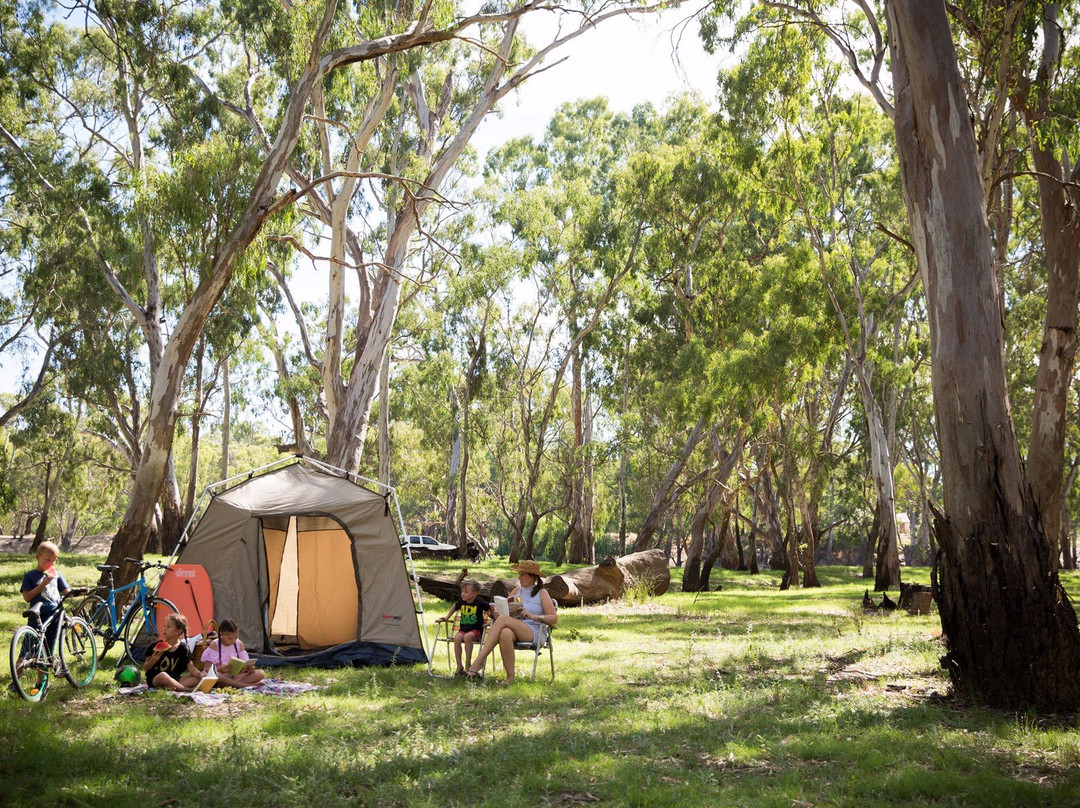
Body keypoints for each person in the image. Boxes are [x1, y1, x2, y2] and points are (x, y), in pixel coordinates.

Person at [466, 560, 557, 684]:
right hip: (516, 627)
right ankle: (510, 678)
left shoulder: (542, 593)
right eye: (519, 574)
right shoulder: (517, 590)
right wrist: (498, 613)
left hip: (535, 631)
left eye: (522, 574)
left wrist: (532, 616)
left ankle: (479, 660)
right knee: (505, 632)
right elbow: (505, 610)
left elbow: (553, 618)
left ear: (533, 576)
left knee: (504, 620)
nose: (519, 577)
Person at [19, 541, 74, 693]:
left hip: (54, 618)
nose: (51, 563)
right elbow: (27, 597)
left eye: (54, 560)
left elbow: (66, 591)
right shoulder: (30, 576)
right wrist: (43, 583)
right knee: (26, 652)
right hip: (37, 617)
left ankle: (41, 684)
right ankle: (15, 682)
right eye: (47, 560)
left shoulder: (56, 575)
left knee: (48, 652)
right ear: (37, 557)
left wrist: (78, 591)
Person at [436, 580, 491, 676]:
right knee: (457, 638)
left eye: (466, 592)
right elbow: (454, 606)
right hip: (463, 629)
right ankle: (459, 666)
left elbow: (490, 607)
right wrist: (447, 617)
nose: (462, 594)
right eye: (462, 591)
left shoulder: (479, 601)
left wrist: (490, 622)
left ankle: (468, 664)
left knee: (468, 637)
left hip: (476, 631)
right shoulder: (462, 601)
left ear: (474, 594)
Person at [144, 613, 208, 691]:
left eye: (168, 627)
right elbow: (145, 667)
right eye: (164, 626)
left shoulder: (183, 648)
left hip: (175, 679)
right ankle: (186, 689)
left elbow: (190, 667)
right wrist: (153, 660)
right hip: (156, 679)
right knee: (163, 675)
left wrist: (200, 674)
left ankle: (172, 687)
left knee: (197, 679)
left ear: (178, 631)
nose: (164, 629)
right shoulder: (155, 646)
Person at [197, 617, 266, 688]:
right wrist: (219, 670)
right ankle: (242, 685)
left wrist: (249, 669)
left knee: (261, 673)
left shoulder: (239, 644)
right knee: (216, 674)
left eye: (235, 637)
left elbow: (243, 666)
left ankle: (229, 685)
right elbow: (208, 669)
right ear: (221, 634)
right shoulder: (215, 645)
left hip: (235, 677)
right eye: (229, 638)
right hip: (220, 677)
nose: (233, 640)